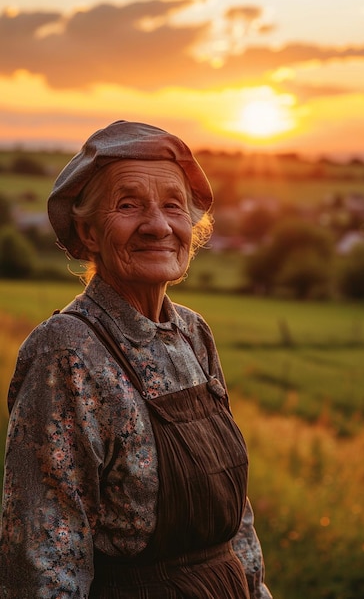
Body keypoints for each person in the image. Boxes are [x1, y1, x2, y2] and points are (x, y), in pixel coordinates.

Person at [0, 120, 272, 598]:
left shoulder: (192, 333)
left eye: (173, 206)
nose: (158, 225)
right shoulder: (66, 352)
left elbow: (236, 517)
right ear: (87, 231)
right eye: (128, 205)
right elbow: (44, 558)